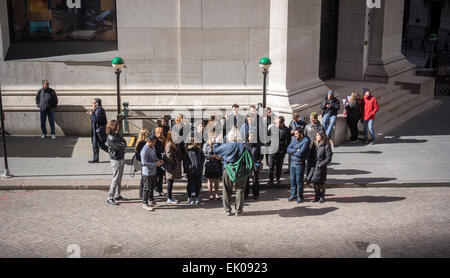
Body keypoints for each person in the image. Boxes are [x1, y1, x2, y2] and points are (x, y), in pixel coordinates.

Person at [213, 129, 251, 216]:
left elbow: (216, 151)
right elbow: (250, 158)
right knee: (240, 190)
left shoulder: (227, 146)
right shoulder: (245, 146)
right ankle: (238, 210)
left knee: (226, 189)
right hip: (241, 170)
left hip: (228, 169)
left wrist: (216, 142)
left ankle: (227, 210)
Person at [106, 120, 128, 206]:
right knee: (115, 179)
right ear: (113, 126)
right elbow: (120, 147)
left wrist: (122, 144)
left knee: (119, 178)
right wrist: (122, 144)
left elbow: (124, 142)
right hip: (115, 159)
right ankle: (110, 197)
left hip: (120, 157)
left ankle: (117, 195)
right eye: (118, 125)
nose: (119, 126)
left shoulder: (117, 134)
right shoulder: (111, 137)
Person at [141, 134, 164, 211]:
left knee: (152, 187)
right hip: (147, 172)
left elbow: (154, 156)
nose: (154, 144)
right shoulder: (144, 150)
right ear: (149, 141)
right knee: (146, 188)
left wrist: (158, 160)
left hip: (153, 171)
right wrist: (155, 164)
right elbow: (144, 163)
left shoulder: (152, 147)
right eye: (153, 142)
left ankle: (151, 200)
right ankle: (145, 203)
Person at [308, 131, 333, 203]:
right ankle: (316, 196)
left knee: (321, 182)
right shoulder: (314, 144)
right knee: (314, 182)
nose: (316, 137)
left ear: (322, 136)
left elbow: (328, 158)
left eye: (318, 135)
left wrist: (321, 164)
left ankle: (322, 196)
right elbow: (311, 155)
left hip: (321, 167)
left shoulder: (326, 145)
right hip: (314, 166)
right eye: (316, 135)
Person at [286, 127, 309, 203]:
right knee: (292, 181)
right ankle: (293, 195)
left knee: (299, 181)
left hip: (300, 164)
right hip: (292, 163)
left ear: (301, 133)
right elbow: (288, 149)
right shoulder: (294, 139)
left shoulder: (305, 141)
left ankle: (300, 196)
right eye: (294, 133)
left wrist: (293, 151)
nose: (295, 135)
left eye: (296, 133)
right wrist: (296, 150)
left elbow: (301, 153)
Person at [267, 116, 291, 186]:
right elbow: (267, 137)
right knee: (271, 165)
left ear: (282, 122)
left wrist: (285, 149)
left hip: (281, 150)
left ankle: (277, 179)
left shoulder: (286, 130)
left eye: (279, 122)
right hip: (272, 149)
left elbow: (288, 140)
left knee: (279, 166)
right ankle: (270, 180)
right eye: (277, 122)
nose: (277, 124)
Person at [305, 112, 325, 181]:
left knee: (317, 163)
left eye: (313, 119)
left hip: (318, 148)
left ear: (316, 119)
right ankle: (308, 178)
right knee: (309, 164)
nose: (311, 120)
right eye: (310, 119)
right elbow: (305, 137)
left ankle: (316, 178)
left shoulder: (321, 127)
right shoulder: (307, 127)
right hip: (310, 148)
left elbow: (324, 137)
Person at [203, 131, 223, 200]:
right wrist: (212, 156)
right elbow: (204, 155)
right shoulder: (206, 144)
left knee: (217, 180)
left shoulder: (219, 144)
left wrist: (219, 157)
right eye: (212, 136)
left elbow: (222, 152)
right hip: (209, 164)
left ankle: (217, 193)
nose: (213, 137)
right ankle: (211, 194)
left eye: (214, 136)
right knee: (210, 180)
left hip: (217, 163)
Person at [164, 131, 183, 204]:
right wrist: (174, 163)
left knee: (171, 182)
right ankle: (169, 198)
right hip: (171, 167)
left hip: (174, 166)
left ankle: (170, 197)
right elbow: (169, 156)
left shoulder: (175, 144)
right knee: (169, 182)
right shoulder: (169, 144)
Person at [88, 98, 108, 163]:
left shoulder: (100, 110)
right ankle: (96, 158)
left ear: (96, 103)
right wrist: (92, 113)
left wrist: (91, 114)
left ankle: (115, 153)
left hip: (98, 131)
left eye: (93, 103)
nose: (92, 104)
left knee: (100, 145)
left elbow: (97, 119)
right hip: (95, 130)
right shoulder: (97, 109)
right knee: (95, 145)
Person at [244, 131, 262, 200]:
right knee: (246, 180)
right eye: (250, 136)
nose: (251, 137)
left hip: (255, 165)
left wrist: (258, 162)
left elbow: (260, 155)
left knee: (255, 180)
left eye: (253, 136)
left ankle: (256, 194)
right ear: (247, 137)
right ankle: (246, 194)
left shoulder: (257, 145)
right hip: (247, 165)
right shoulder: (245, 145)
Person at [135, 128, 150, 198]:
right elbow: (140, 155)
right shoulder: (141, 143)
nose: (148, 133)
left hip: (144, 162)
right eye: (147, 133)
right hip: (143, 163)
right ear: (143, 134)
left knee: (144, 178)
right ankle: (141, 193)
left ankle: (142, 193)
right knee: (143, 178)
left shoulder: (143, 142)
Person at [154, 127, 166, 196]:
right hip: (156, 159)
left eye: (161, 132)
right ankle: (156, 189)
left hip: (162, 159)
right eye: (159, 132)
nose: (161, 133)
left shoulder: (163, 139)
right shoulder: (155, 140)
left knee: (161, 176)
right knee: (156, 176)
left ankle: (160, 189)